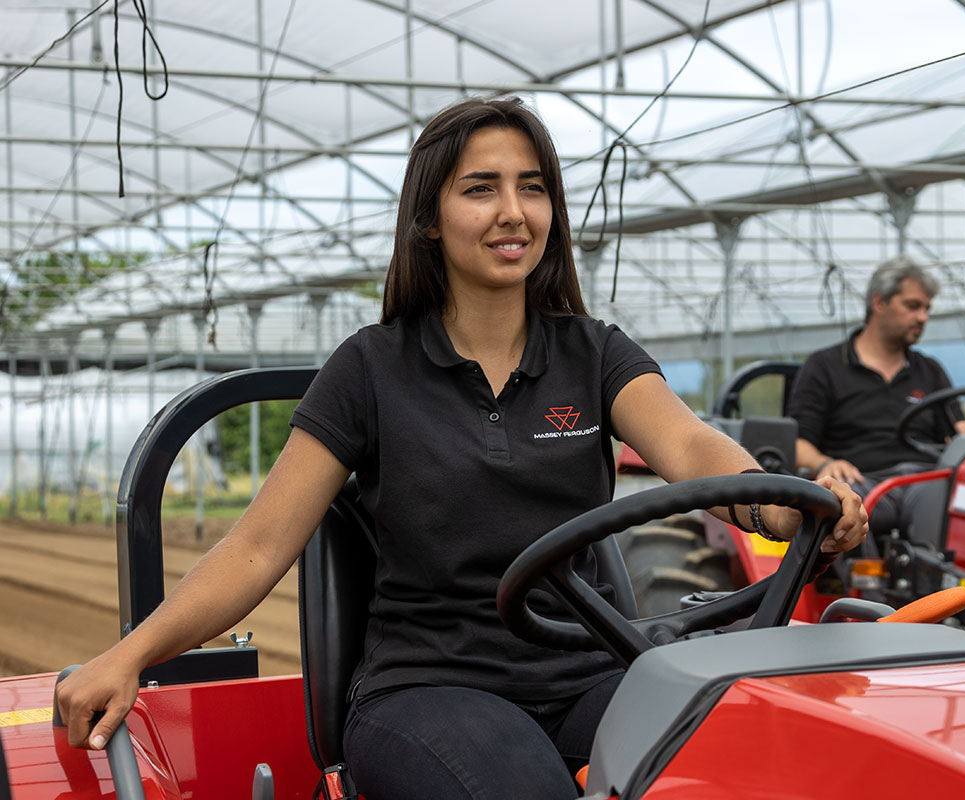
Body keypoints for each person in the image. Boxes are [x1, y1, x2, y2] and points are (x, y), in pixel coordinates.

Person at [55, 97, 868, 800]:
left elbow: (689, 445)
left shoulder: (593, 354)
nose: (514, 212)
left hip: (590, 671)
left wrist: (773, 498)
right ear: (429, 219)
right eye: (481, 189)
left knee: (752, 756)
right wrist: (128, 655)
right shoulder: (369, 370)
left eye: (533, 188)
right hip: (430, 689)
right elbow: (258, 548)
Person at [785, 256, 965, 537]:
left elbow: (954, 435)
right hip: (861, 482)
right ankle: (855, 582)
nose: (923, 318)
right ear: (879, 303)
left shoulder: (930, 371)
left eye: (927, 309)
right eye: (913, 306)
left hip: (922, 481)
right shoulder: (824, 367)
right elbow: (798, 443)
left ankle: (948, 578)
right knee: (846, 510)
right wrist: (824, 463)